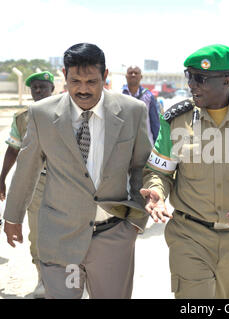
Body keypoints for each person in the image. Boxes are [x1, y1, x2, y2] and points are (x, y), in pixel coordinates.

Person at [2, 43, 151, 299]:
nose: (83, 89)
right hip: (60, 238)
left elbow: (142, 167)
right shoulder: (42, 114)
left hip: (113, 236)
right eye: (75, 81)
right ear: (64, 75)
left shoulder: (132, 111)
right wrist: (13, 217)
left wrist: (136, 222)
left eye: (92, 81)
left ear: (105, 76)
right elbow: (27, 168)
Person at [140, 44, 229, 299]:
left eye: (201, 79)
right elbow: (158, 172)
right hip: (189, 236)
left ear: (227, 80)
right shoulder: (176, 119)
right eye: (189, 76)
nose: (192, 85)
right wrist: (156, 191)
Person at [0, 71, 55, 298]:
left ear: (52, 88)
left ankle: (71, 282)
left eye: (43, 87)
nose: (39, 91)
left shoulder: (69, 112)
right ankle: (43, 281)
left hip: (65, 183)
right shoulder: (23, 117)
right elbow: (13, 149)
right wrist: (2, 178)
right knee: (37, 235)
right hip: (37, 183)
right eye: (35, 88)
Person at [122, 65, 160, 145]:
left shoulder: (149, 96)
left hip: (145, 144)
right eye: (130, 73)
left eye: (136, 73)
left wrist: (157, 146)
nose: (133, 75)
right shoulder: (119, 95)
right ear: (126, 76)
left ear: (141, 76)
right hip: (125, 145)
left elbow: (155, 123)